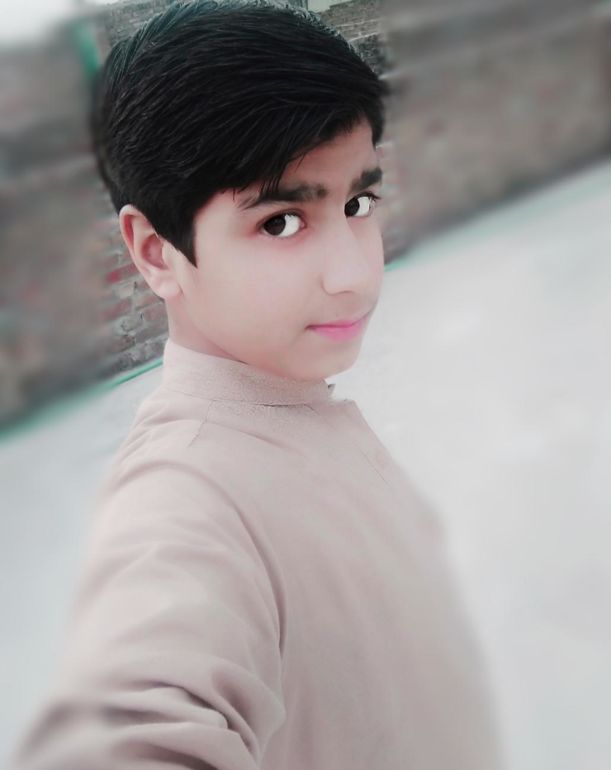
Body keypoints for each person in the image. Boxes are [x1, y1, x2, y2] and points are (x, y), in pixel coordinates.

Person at [10, 1, 506, 768]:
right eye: (280, 222)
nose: (354, 274)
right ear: (155, 252)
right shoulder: (187, 497)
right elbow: (138, 717)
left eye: (357, 204)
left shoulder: (299, 407)